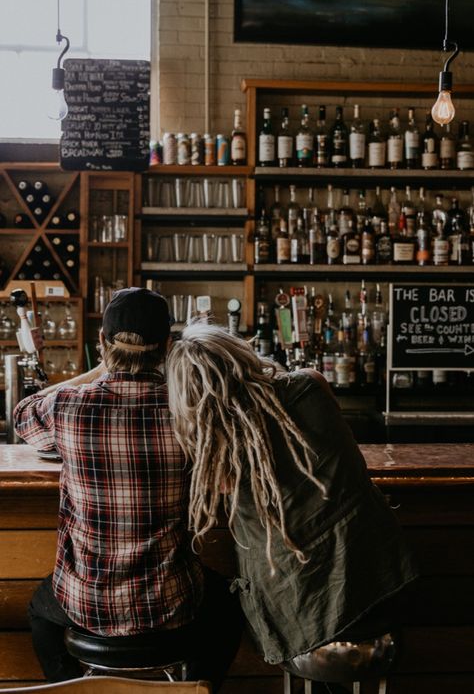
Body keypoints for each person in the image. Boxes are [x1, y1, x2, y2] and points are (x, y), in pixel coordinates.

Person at [14, 288, 242, 689]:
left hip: (86, 603)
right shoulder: (190, 413)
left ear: (102, 343)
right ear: (168, 346)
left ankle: (75, 689)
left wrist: (98, 372)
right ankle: (193, 690)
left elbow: (21, 416)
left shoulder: (67, 406)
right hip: (171, 603)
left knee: (38, 610)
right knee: (229, 606)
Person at [167, 322, 418, 675]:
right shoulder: (311, 383)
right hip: (385, 584)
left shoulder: (219, 451)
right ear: (242, 353)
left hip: (304, 614)